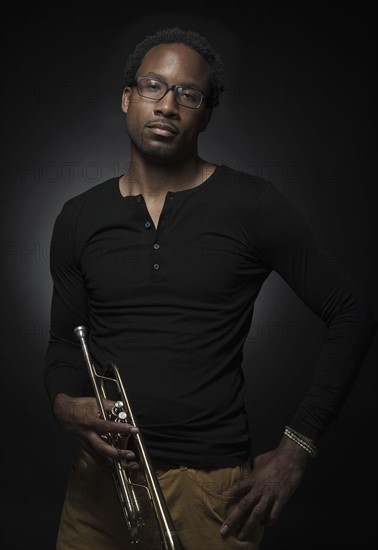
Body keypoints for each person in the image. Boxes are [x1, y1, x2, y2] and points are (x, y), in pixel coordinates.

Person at [44, 26, 377, 550]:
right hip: (99, 487)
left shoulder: (254, 205)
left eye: (188, 94)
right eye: (153, 86)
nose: (168, 105)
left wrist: (296, 451)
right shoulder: (76, 218)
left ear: (206, 113)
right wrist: (64, 403)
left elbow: (349, 311)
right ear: (127, 98)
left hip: (211, 493)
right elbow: (64, 342)